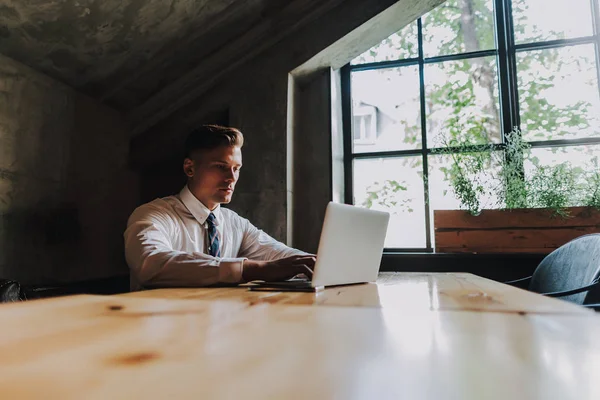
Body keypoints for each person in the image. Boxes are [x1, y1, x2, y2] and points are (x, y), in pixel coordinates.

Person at [124, 125, 315, 291]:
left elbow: (282, 257)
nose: (232, 178)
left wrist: (321, 264)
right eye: (221, 167)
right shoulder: (152, 215)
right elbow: (150, 264)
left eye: (236, 168)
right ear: (189, 168)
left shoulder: (235, 223)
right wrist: (251, 269)